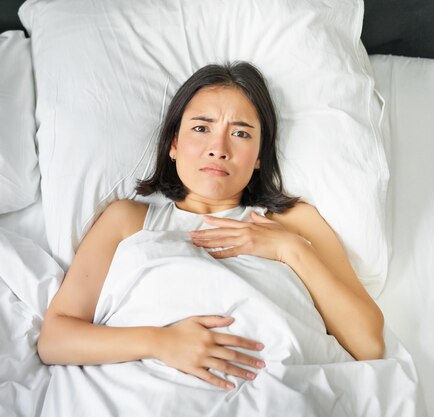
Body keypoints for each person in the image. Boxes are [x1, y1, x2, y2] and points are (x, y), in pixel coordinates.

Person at [37, 62, 385, 391]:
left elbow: (368, 344)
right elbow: (55, 339)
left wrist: (289, 249)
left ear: (260, 154)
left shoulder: (296, 222)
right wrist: (161, 342)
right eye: (201, 128)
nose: (218, 149)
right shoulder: (127, 220)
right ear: (173, 143)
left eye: (241, 133)